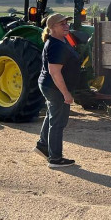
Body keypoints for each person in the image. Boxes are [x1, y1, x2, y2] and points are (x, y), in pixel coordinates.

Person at [35, 13, 80, 168]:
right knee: (58, 121)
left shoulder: (59, 41)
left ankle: (43, 145)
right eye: (62, 24)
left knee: (52, 115)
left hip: (51, 86)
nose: (66, 26)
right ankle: (55, 158)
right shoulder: (55, 45)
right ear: (52, 27)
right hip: (55, 88)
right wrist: (66, 93)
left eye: (67, 23)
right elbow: (55, 72)